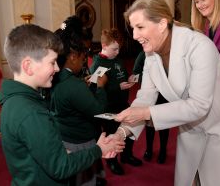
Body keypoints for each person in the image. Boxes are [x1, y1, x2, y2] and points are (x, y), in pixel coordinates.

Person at [114, 0, 220, 186]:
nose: (134, 35)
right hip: (190, 125)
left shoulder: (199, 46)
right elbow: (145, 97)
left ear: (162, 23)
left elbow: (199, 105)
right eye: (133, 28)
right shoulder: (150, 54)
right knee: (190, 178)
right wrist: (121, 134)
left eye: (140, 27)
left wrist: (146, 113)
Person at [0, 24, 125, 185]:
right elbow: (61, 167)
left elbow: (42, 152)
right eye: (52, 63)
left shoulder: (14, 100)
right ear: (28, 66)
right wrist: (99, 150)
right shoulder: (31, 113)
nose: (57, 68)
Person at [51, 16, 108, 186]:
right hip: (80, 142)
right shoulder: (73, 86)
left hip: (64, 135)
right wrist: (100, 87)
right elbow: (99, 110)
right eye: (84, 58)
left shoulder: (55, 77)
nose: (85, 61)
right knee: (85, 179)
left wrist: (82, 85)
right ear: (74, 56)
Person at [90, 28, 142, 176]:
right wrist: (117, 87)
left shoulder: (117, 60)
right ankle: (112, 162)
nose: (118, 52)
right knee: (112, 134)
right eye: (114, 49)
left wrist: (128, 81)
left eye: (119, 48)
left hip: (122, 103)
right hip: (108, 107)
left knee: (129, 129)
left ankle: (126, 156)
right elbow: (95, 90)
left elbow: (122, 76)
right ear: (104, 46)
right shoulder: (98, 64)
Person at [129, 51, 169, 164]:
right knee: (150, 125)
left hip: (164, 95)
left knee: (164, 125)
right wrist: (147, 80)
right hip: (150, 95)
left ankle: (163, 150)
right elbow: (136, 71)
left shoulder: (166, 52)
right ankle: (149, 149)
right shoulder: (143, 54)